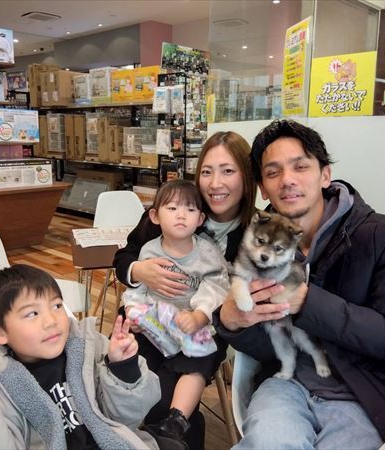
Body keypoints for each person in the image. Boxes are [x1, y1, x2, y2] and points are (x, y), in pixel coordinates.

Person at [213, 119, 385, 449]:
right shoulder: (257, 243)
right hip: (285, 385)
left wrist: (308, 303)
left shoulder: (380, 236)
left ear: (325, 175)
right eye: (273, 172)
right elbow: (266, 343)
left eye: (300, 166)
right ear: (263, 188)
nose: (287, 180)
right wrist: (231, 323)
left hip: (366, 395)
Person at [114, 131, 256, 449]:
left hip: (203, 329)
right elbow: (124, 258)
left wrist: (202, 315)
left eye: (228, 171)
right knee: (141, 393)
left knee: (165, 402)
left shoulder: (253, 233)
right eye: (207, 171)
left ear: (247, 178)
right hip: (150, 320)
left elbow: (231, 294)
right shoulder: (173, 208)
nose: (215, 183)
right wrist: (139, 271)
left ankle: (176, 430)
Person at [0, 264, 173, 450]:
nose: (51, 321)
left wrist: (123, 368)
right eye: (32, 313)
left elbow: (129, 419)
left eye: (57, 306)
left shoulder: (91, 346)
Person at [123, 180, 230, 445]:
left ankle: (176, 421)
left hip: (193, 327)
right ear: (155, 216)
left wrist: (199, 315)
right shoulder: (149, 250)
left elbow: (217, 286)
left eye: (190, 210)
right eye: (172, 208)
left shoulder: (207, 253)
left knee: (198, 364)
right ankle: (132, 424)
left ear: (200, 219)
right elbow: (137, 290)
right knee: (135, 361)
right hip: (156, 330)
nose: (181, 215)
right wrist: (133, 311)